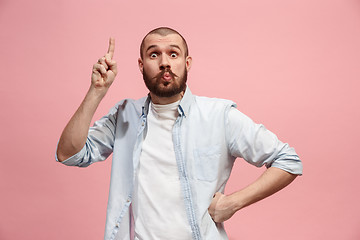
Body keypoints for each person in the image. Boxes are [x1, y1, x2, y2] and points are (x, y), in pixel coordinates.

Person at [56, 27, 303, 240]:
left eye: (173, 54)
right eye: (154, 54)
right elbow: (69, 154)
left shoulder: (219, 116)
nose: (165, 62)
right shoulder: (124, 116)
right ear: (141, 65)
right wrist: (96, 92)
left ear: (187, 63)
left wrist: (232, 203)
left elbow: (288, 161)